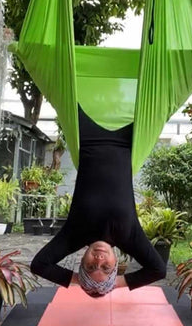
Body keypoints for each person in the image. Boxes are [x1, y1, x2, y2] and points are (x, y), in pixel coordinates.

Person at [30, 104, 166, 297]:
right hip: (128, 140)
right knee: (162, 105)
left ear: (82, 261)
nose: (99, 259)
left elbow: (39, 265)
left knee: (70, 89)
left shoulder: (75, 235)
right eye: (106, 268)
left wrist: (81, 280)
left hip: (88, 135)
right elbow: (158, 270)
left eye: (91, 266)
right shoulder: (128, 237)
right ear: (116, 265)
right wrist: (116, 283)